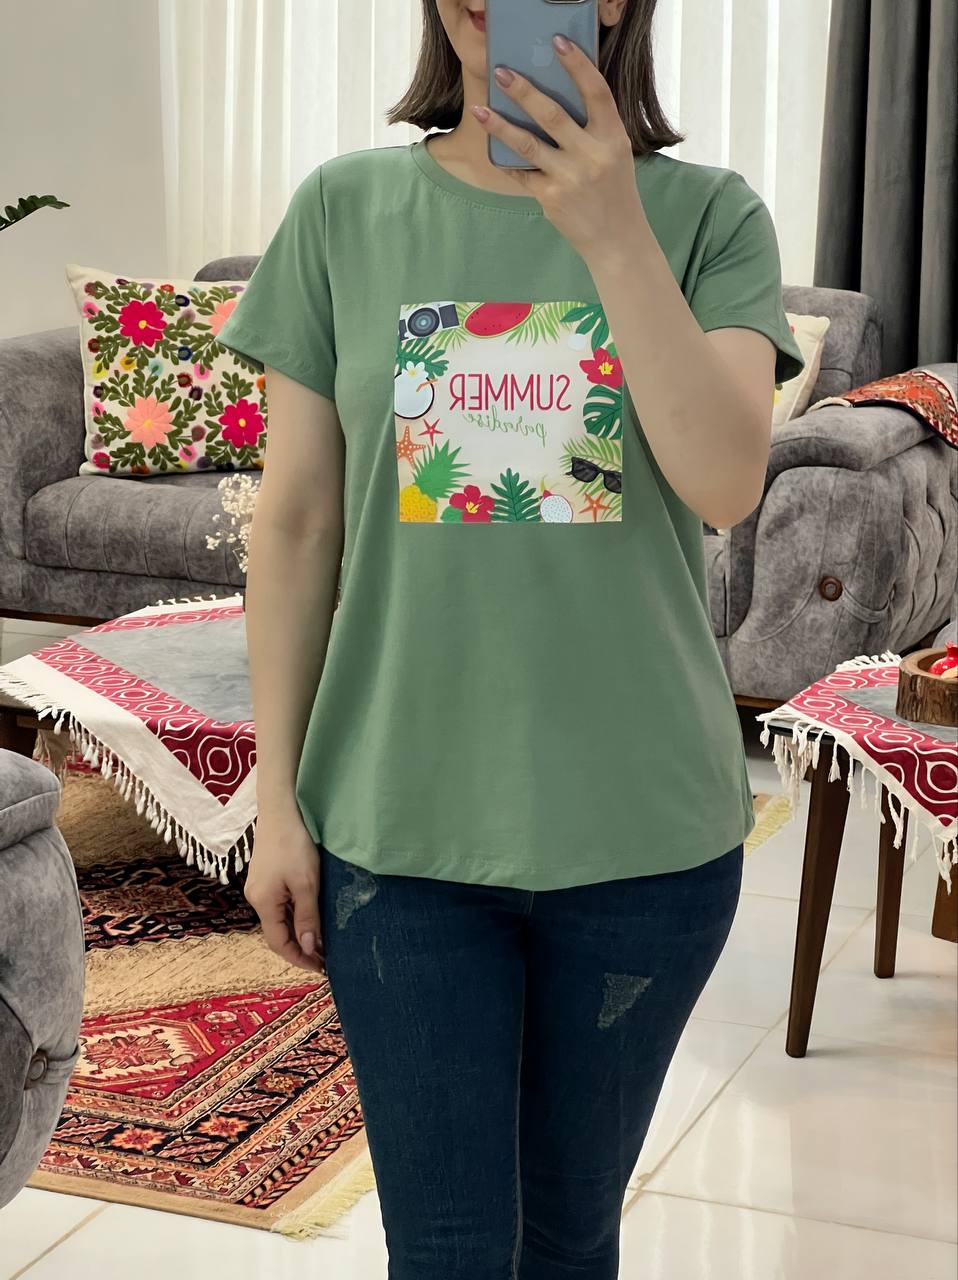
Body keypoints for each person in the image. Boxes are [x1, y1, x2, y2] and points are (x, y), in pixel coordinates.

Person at [216, 1, 805, 1275]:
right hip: (397, 834)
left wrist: (609, 230)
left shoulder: (710, 218)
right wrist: (277, 801)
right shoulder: (341, 212)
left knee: (568, 1240)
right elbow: (298, 522)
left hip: (643, 838)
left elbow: (723, 479)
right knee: (446, 1249)